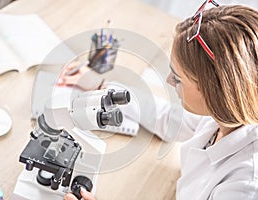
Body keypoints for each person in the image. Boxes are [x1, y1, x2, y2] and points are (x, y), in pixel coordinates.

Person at [62, 2, 258, 200]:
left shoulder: (244, 186)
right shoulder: (225, 118)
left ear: (216, 91)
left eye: (178, 78)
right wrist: (103, 86)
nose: (169, 82)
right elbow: (168, 118)